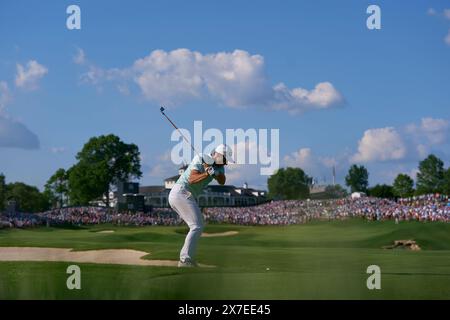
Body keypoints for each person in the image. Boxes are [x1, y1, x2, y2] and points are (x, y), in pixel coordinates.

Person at [168, 144, 232, 267]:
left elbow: (222, 181)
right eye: (224, 159)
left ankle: (186, 259)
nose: (226, 163)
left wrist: (215, 173)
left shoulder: (219, 167)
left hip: (186, 195)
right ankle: (185, 260)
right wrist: (207, 174)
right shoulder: (202, 158)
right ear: (218, 155)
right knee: (197, 226)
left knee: (197, 226)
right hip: (180, 192)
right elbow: (192, 179)